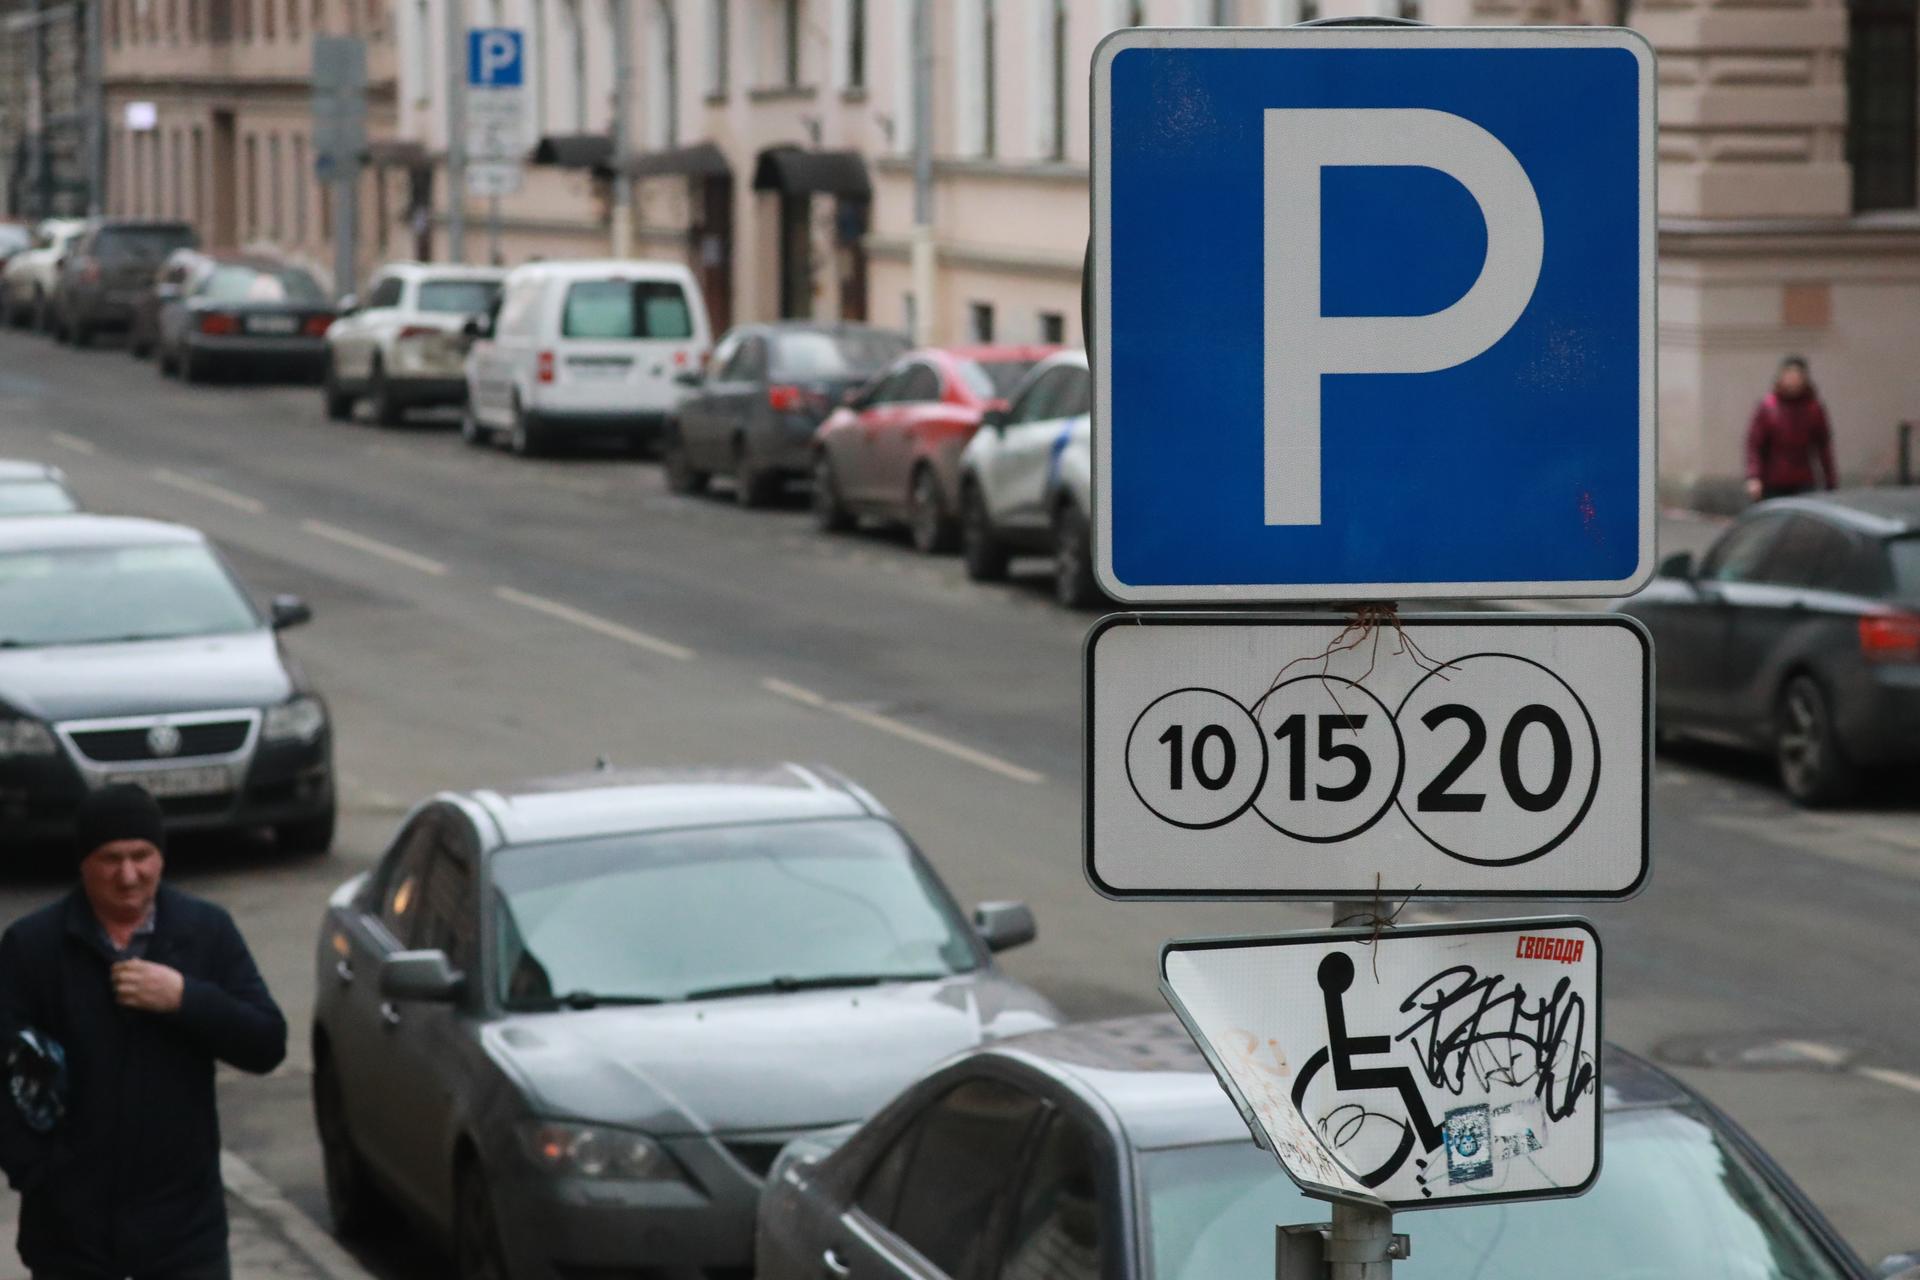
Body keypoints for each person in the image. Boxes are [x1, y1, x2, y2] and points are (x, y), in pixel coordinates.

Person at [0, 784, 286, 1280]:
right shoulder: (34, 947)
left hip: (184, 1233)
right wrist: (39, 1174)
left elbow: (266, 1043)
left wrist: (185, 999)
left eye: (141, 856)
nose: (128, 875)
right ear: (84, 863)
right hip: (71, 1235)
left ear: (161, 857)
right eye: (111, 859)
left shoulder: (205, 931)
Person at [1745, 355, 1837, 501]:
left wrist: (1830, 481)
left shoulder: (1813, 409)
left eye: (1797, 377)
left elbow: (1823, 446)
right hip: (1773, 480)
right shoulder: (1768, 407)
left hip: (1803, 480)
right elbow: (1755, 444)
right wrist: (1754, 476)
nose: (1793, 381)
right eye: (1789, 376)